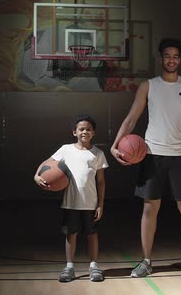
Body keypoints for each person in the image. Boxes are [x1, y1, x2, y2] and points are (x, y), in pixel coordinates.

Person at [110, 38, 181, 277]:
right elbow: (132, 117)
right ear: (160, 58)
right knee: (149, 208)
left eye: (176, 56)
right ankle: (146, 261)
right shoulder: (148, 86)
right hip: (153, 154)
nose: (171, 60)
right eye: (167, 56)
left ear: (180, 59)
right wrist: (115, 145)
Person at [34, 114, 109, 282]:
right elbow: (47, 162)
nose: (85, 132)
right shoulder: (65, 149)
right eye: (81, 129)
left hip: (90, 203)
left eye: (88, 129)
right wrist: (36, 176)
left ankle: (94, 266)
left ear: (93, 133)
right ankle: (69, 267)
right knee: (71, 235)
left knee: (92, 234)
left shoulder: (98, 153)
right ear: (74, 132)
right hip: (71, 203)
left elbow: (101, 181)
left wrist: (100, 204)